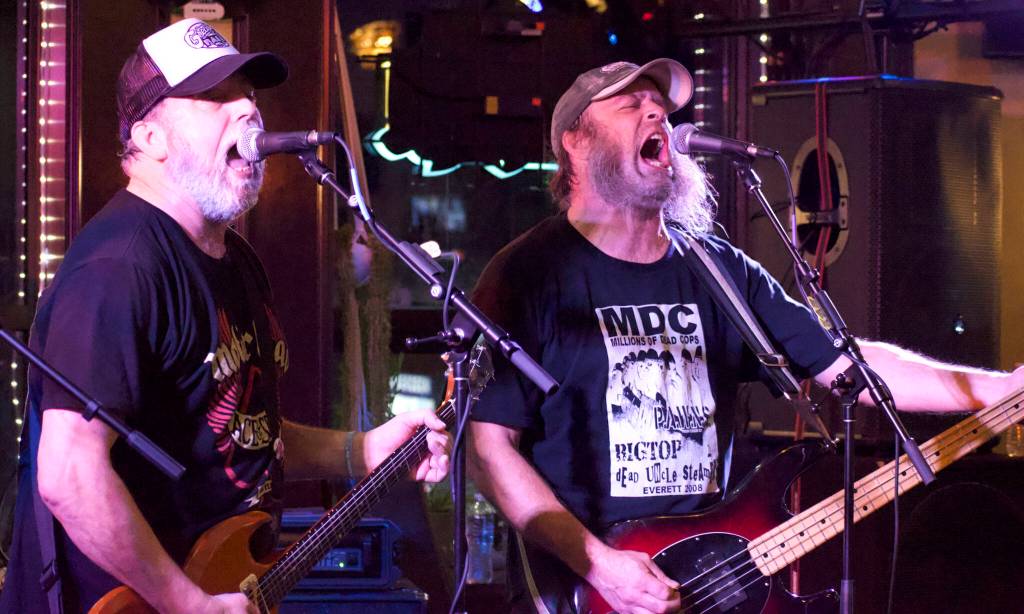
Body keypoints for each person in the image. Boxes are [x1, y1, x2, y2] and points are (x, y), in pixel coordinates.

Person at [467, 58, 1024, 614]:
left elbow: (848, 366)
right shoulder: (527, 275)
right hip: (582, 591)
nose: (657, 111)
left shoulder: (719, 272)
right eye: (630, 105)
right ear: (576, 143)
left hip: (707, 589)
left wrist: (1002, 390)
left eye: (660, 104)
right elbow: (490, 452)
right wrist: (596, 564)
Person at [1, 19, 450, 614]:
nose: (248, 112)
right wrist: (186, 602)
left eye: (250, 95)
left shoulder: (234, 259)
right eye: (215, 98)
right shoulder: (118, 269)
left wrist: (359, 451)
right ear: (150, 136)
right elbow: (69, 474)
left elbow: (238, 429)